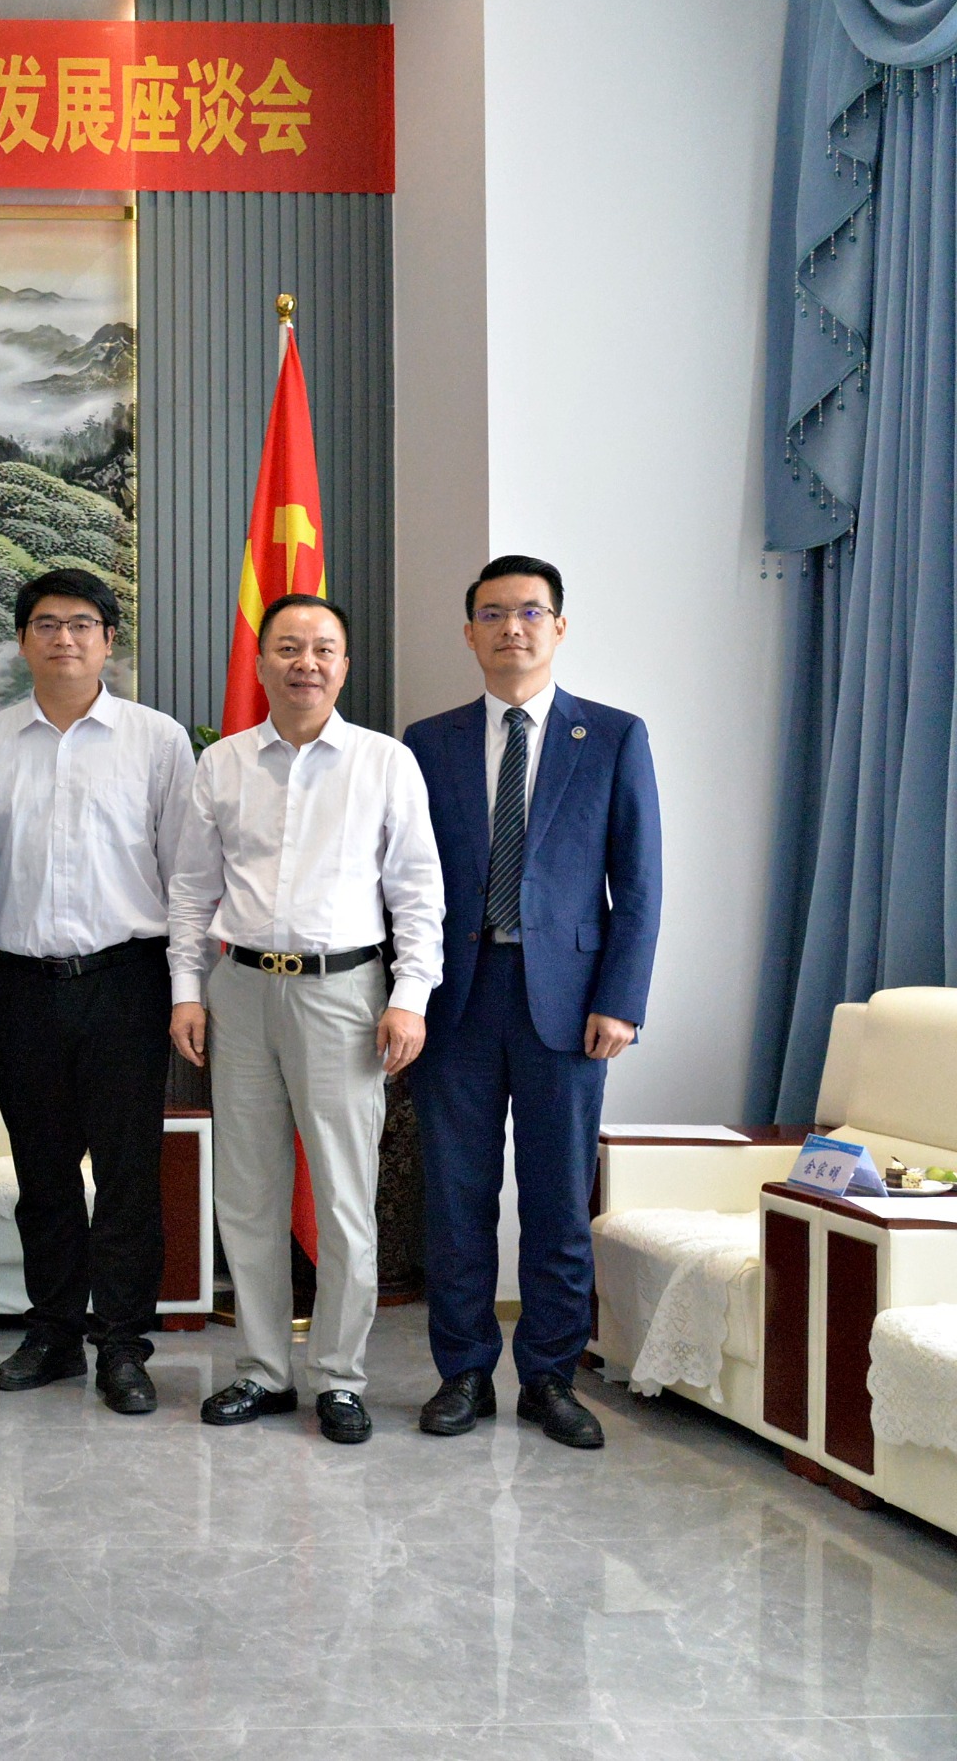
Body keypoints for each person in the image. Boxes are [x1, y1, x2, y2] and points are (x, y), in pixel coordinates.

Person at [169, 593, 443, 1444]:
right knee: (248, 1193)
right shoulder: (222, 764)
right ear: (261, 664)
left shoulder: (384, 762)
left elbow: (417, 891)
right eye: (288, 647)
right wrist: (186, 989)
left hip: (344, 995)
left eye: (323, 648)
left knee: (343, 1196)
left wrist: (410, 996)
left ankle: (339, 1377)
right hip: (241, 990)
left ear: (344, 665)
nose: (306, 663)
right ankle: (261, 1369)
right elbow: (192, 888)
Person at [405, 556, 661, 1449]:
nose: (511, 627)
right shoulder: (427, 742)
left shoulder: (613, 736)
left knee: (556, 1201)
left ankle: (550, 1378)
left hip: (570, 1004)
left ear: (558, 627)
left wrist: (621, 999)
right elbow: (403, 879)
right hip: (455, 1000)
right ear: (469, 632)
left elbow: (639, 881)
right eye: (492, 613)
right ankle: (464, 1374)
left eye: (529, 612)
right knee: (456, 1199)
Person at [0, 568, 195, 1417]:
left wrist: (186, 988)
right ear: (23, 639)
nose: (65, 638)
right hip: (19, 986)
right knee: (43, 1173)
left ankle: (123, 1345)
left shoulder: (157, 741)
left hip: (128, 981)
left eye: (82, 624)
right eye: (48, 624)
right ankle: (53, 1333)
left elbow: (187, 877)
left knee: (128, 1176)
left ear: (108, 640)